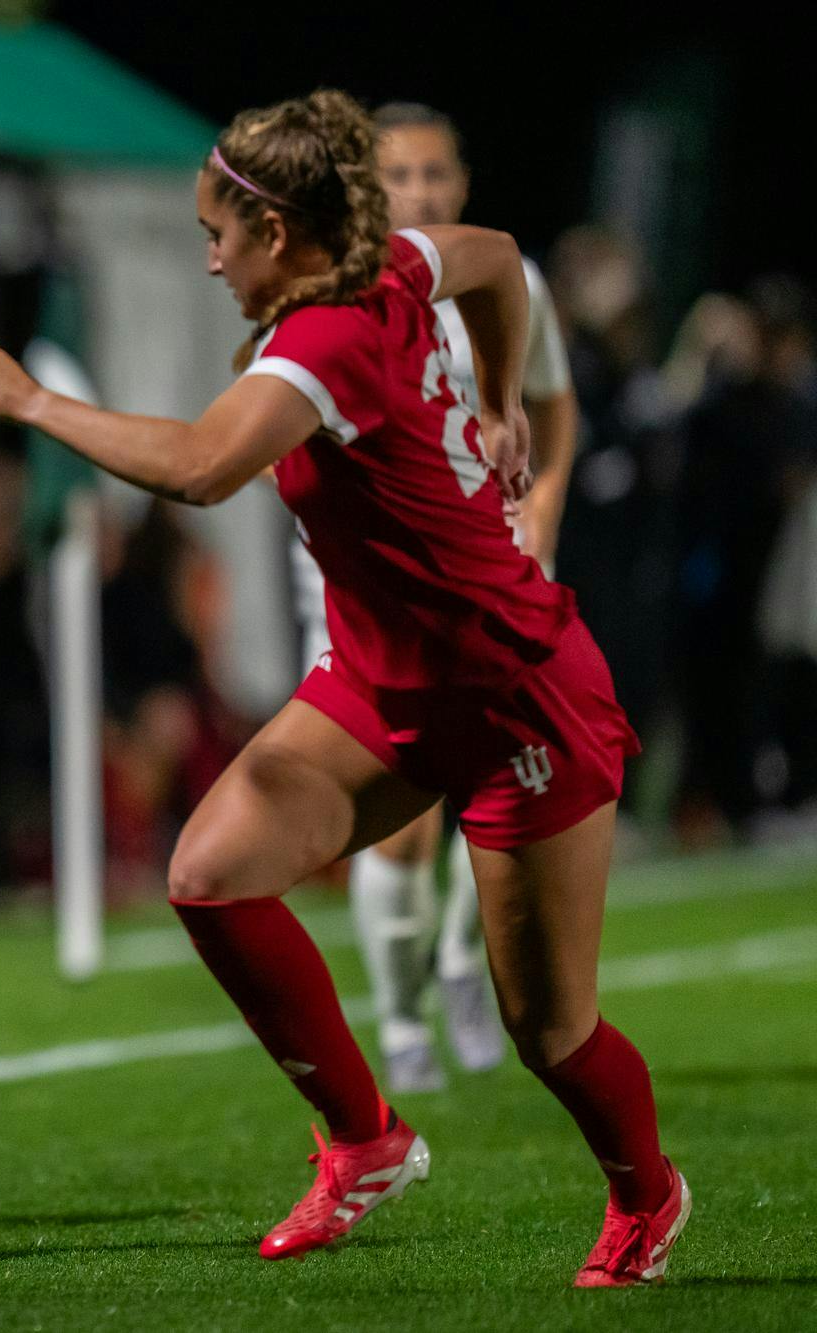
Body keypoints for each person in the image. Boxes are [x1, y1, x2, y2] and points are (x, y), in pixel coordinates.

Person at [0, 90, 686, 1287]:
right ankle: (364, 1140)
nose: (208, 259)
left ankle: (645, 1192)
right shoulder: (386, 265)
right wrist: (498, 397)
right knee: (208, 874)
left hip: (511, 695)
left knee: (548, 1031)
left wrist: (34, 403)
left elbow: (201, 467)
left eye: (216, 235)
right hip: (381, 687)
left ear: (277, 233)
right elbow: (496, 260)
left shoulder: (323, 338)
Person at [292, 101, 581, 1093]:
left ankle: (463, 957)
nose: (419, 192)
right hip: (368, 587)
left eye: (435, 174)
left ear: (461, 182)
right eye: (399, 176)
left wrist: (543, 503)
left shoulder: (506, 279)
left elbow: (550, 402)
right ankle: (401, 1021)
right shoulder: (334, 286)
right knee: (401, 809)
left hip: (490, 568)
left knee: (512, 782)